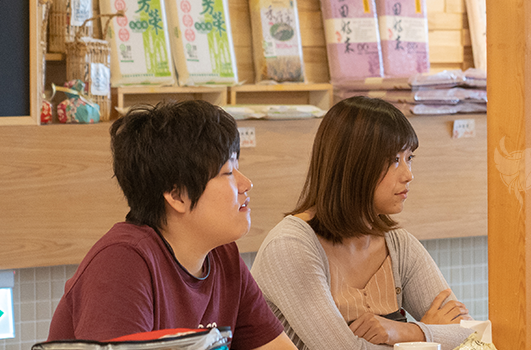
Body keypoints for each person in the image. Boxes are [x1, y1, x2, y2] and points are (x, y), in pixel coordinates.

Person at [47, 100, 297, 350]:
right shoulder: (121, 262)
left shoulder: (223, 255)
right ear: (177, 196)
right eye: (228, 172)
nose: (246, 184)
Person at [250, 97, 474, 350]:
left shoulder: (398, 244)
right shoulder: (290, 247)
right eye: (394, 160)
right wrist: (428, 336)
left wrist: (407, 331)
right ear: (353, 164)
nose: (408, 174)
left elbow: (470, 336)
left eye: (409, 157)